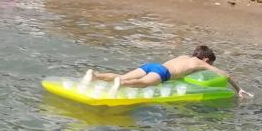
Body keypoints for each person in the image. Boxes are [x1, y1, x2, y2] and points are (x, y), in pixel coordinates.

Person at [84, 45, 246, 98]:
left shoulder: (184, 56)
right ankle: (123, 84)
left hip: (152, 65)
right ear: (206, 60)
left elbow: (179, 70)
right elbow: (225, 74)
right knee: (143, 84)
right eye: (210, 62)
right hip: (162, 73)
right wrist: (239, 90)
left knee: (121, 75)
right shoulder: (201, 63)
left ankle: (95, 75)